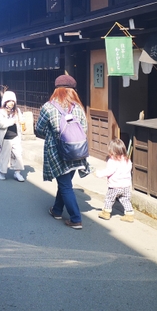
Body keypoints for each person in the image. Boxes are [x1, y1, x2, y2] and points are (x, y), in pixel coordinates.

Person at [34, 74, 89, 230]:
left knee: (65, 186)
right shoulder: (78, 108)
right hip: (76, 150)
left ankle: (76, 219)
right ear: (73, 91)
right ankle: (57, 210)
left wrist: (53, 136)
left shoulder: (48, 107)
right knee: (65, 183)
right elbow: (84, 129)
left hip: (57, 151)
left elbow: (39, 129)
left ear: (56, 90)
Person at [96, 138, 134, 222]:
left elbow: (108, 171)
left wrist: (98, 173)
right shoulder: (127, 160)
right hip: (126, 185)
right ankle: (129, 214)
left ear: (113, 152)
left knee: (109, 199)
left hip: (114, 186)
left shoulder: (112, 161)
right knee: (125, 199)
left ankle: (106, 213)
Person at [0, 90, 25, 182]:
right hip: (6, 138)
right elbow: (0, 124)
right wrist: (12, 121)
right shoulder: (1, 112)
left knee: (18, 154)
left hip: (15, 136)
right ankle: (1, 171)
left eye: (13, 101)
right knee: (5, 155)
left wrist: (22, 122)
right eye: (9, 101)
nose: (11, 103)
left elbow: (21, 120)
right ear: (5, 102)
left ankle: (17, 172)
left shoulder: (17, 111)